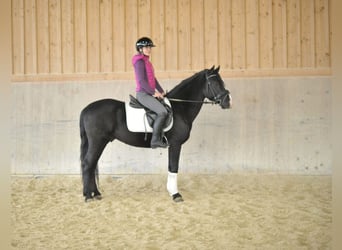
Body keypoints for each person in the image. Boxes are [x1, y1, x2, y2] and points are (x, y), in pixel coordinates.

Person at [132, 37, 169, 148]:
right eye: (146, 47)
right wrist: (153, 93)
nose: (148, 49)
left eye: (149, 47)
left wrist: (161, 91)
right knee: (162, 112)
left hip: (149, 93)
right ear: (140, 49)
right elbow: (141, 81)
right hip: (143, 94)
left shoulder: (147, 62)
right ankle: (155, 140)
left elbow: (153, 78)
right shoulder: (139, 62)